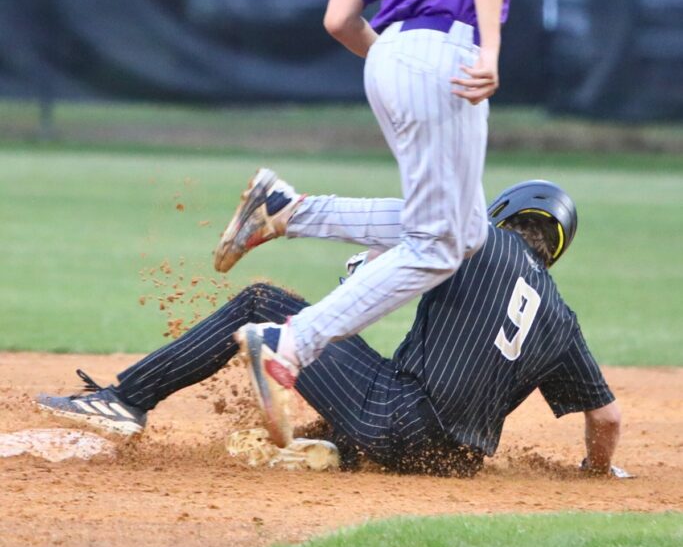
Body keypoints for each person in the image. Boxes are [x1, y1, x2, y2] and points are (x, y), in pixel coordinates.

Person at [214, 0, 536, 442]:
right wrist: (489, 49)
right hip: (446, 47)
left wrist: (396, 63)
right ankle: (291, 343)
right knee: (438, 245)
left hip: (388, 54)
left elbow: (338, 18)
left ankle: (289, 211)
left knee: (466, 230)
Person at [36, 180, 622, 478]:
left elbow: (367, 272)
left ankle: (124, 400)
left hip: (396, 421)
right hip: (452, 461)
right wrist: (597, 473)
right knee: (386, 380)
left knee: (262, 302)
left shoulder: (471, 237)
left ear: (502, 214)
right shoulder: (562, 318)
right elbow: (607, 418)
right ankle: (337, 447)